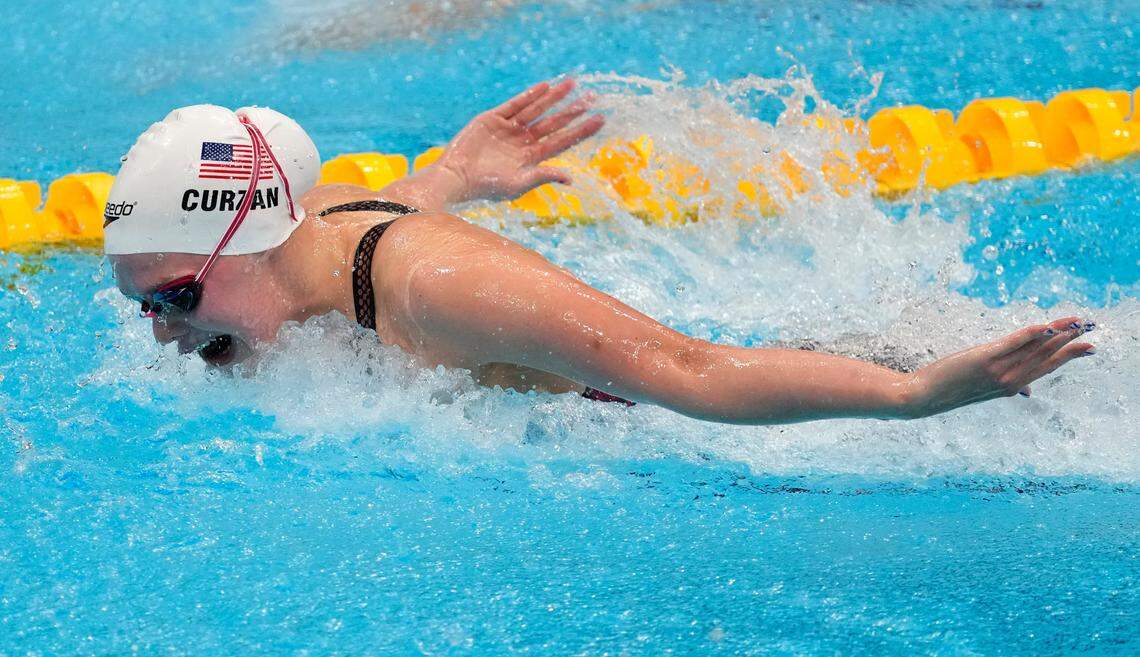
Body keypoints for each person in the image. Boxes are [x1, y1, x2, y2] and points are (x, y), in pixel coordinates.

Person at [105, 79, 1096, 425]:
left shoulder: (439, 289)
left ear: (251, 238)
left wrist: (914, 396)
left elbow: (689, 372)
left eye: (177, 298)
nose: (160, 335)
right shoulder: (304, 235)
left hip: (752, 405)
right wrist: (456, 173)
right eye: (145, 305)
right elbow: (398, 197)